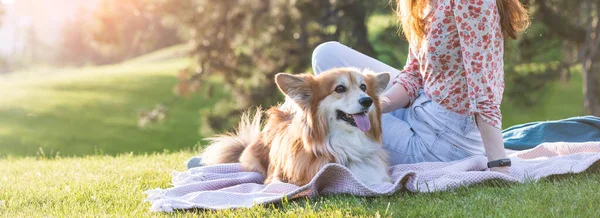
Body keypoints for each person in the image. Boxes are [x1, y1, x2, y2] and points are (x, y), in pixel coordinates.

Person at [311, 0, 529, 173]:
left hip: (443, 140)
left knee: (327, 118)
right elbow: (414, 74)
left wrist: (499, 164)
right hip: (422, 103)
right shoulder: (420, 2)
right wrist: (375, 105)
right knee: (326, 54)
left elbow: (485, 90)